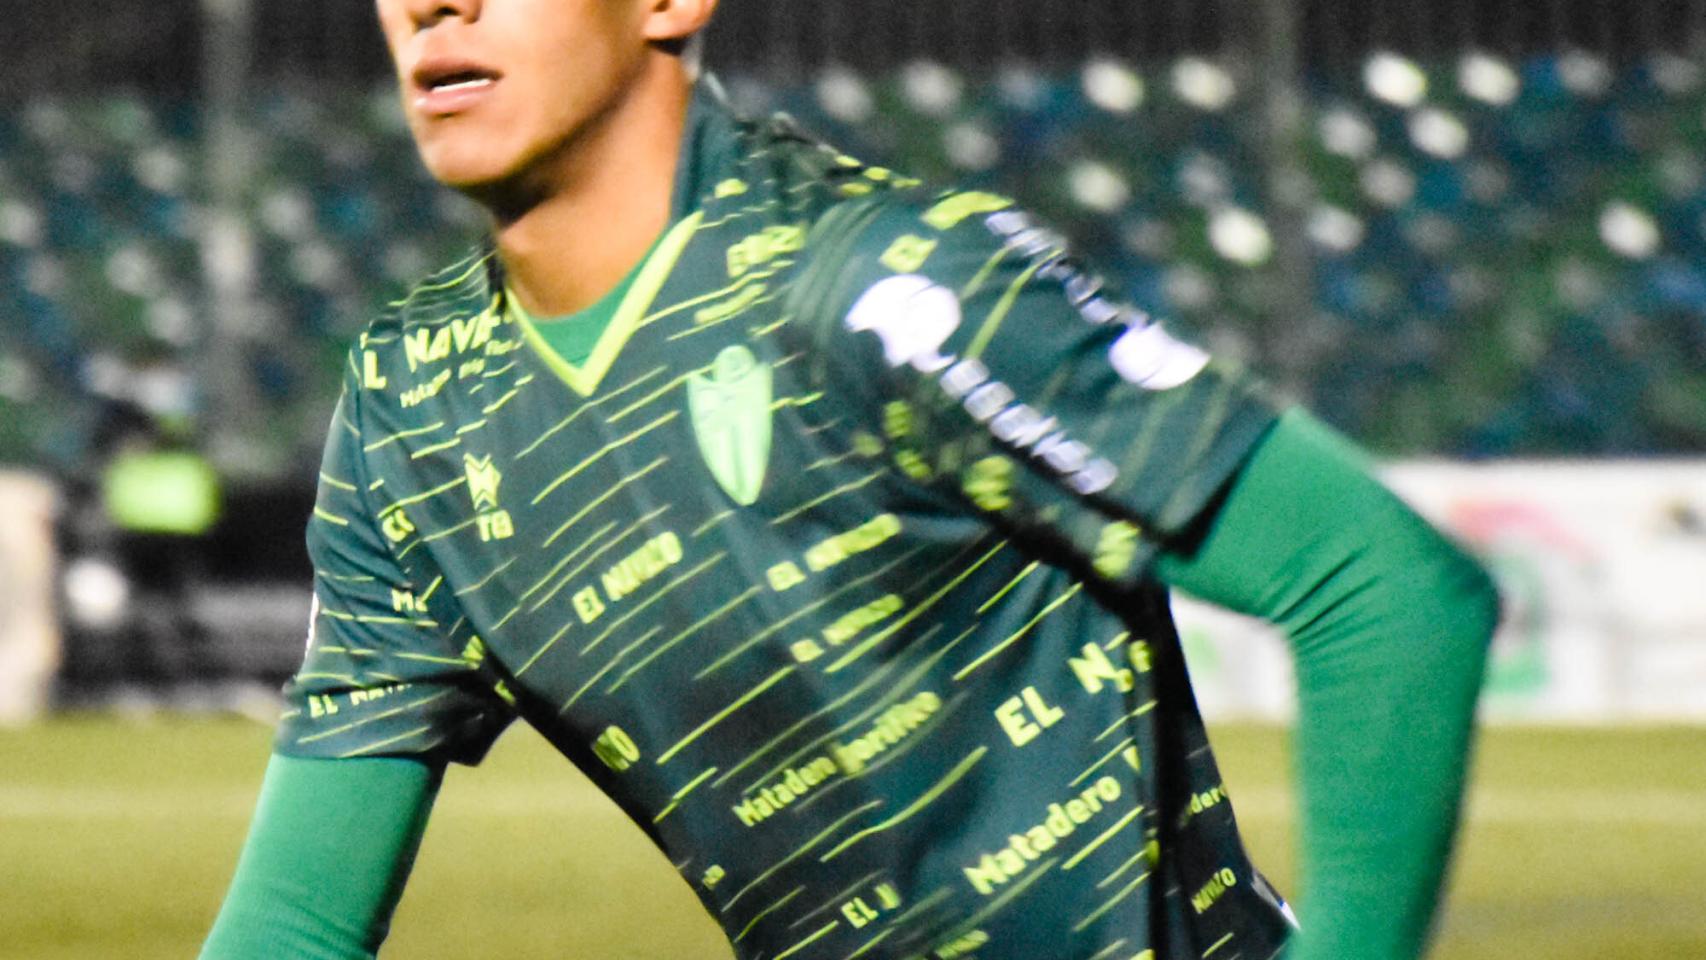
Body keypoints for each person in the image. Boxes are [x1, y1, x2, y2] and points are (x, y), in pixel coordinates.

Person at [200, 1, 1500, 958]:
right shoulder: (412, 403)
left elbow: (1385, 587)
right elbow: (294, 926)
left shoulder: (887, 286)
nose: (433, 4)